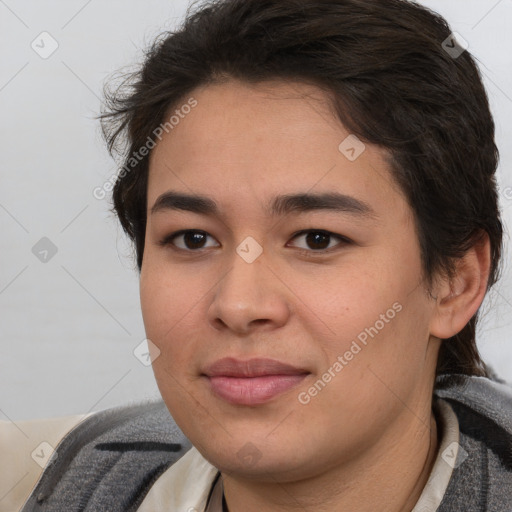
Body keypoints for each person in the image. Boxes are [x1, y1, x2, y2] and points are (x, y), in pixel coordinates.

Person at [2, 0, 512, 510]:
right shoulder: (36, 482)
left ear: (456, 281)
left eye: (317, 239)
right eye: (193, 239)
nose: (239, 305)